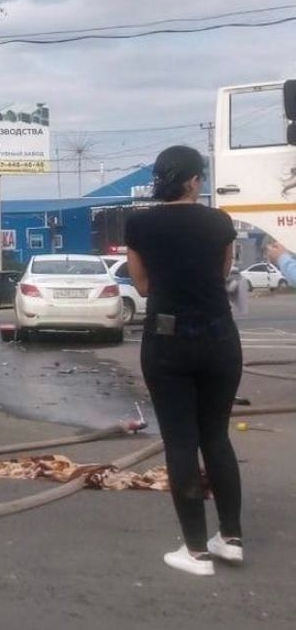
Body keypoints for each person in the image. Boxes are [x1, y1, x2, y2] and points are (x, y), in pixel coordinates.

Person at [125, 145, 244, 576]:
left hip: (167, 340)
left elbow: (139, 285)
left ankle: (194, 552)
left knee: (180, 442)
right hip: (219, 337)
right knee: (217, 436)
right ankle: (230, 538)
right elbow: (220, 275)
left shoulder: (140, 223)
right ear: (194, 180)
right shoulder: (220, 223)